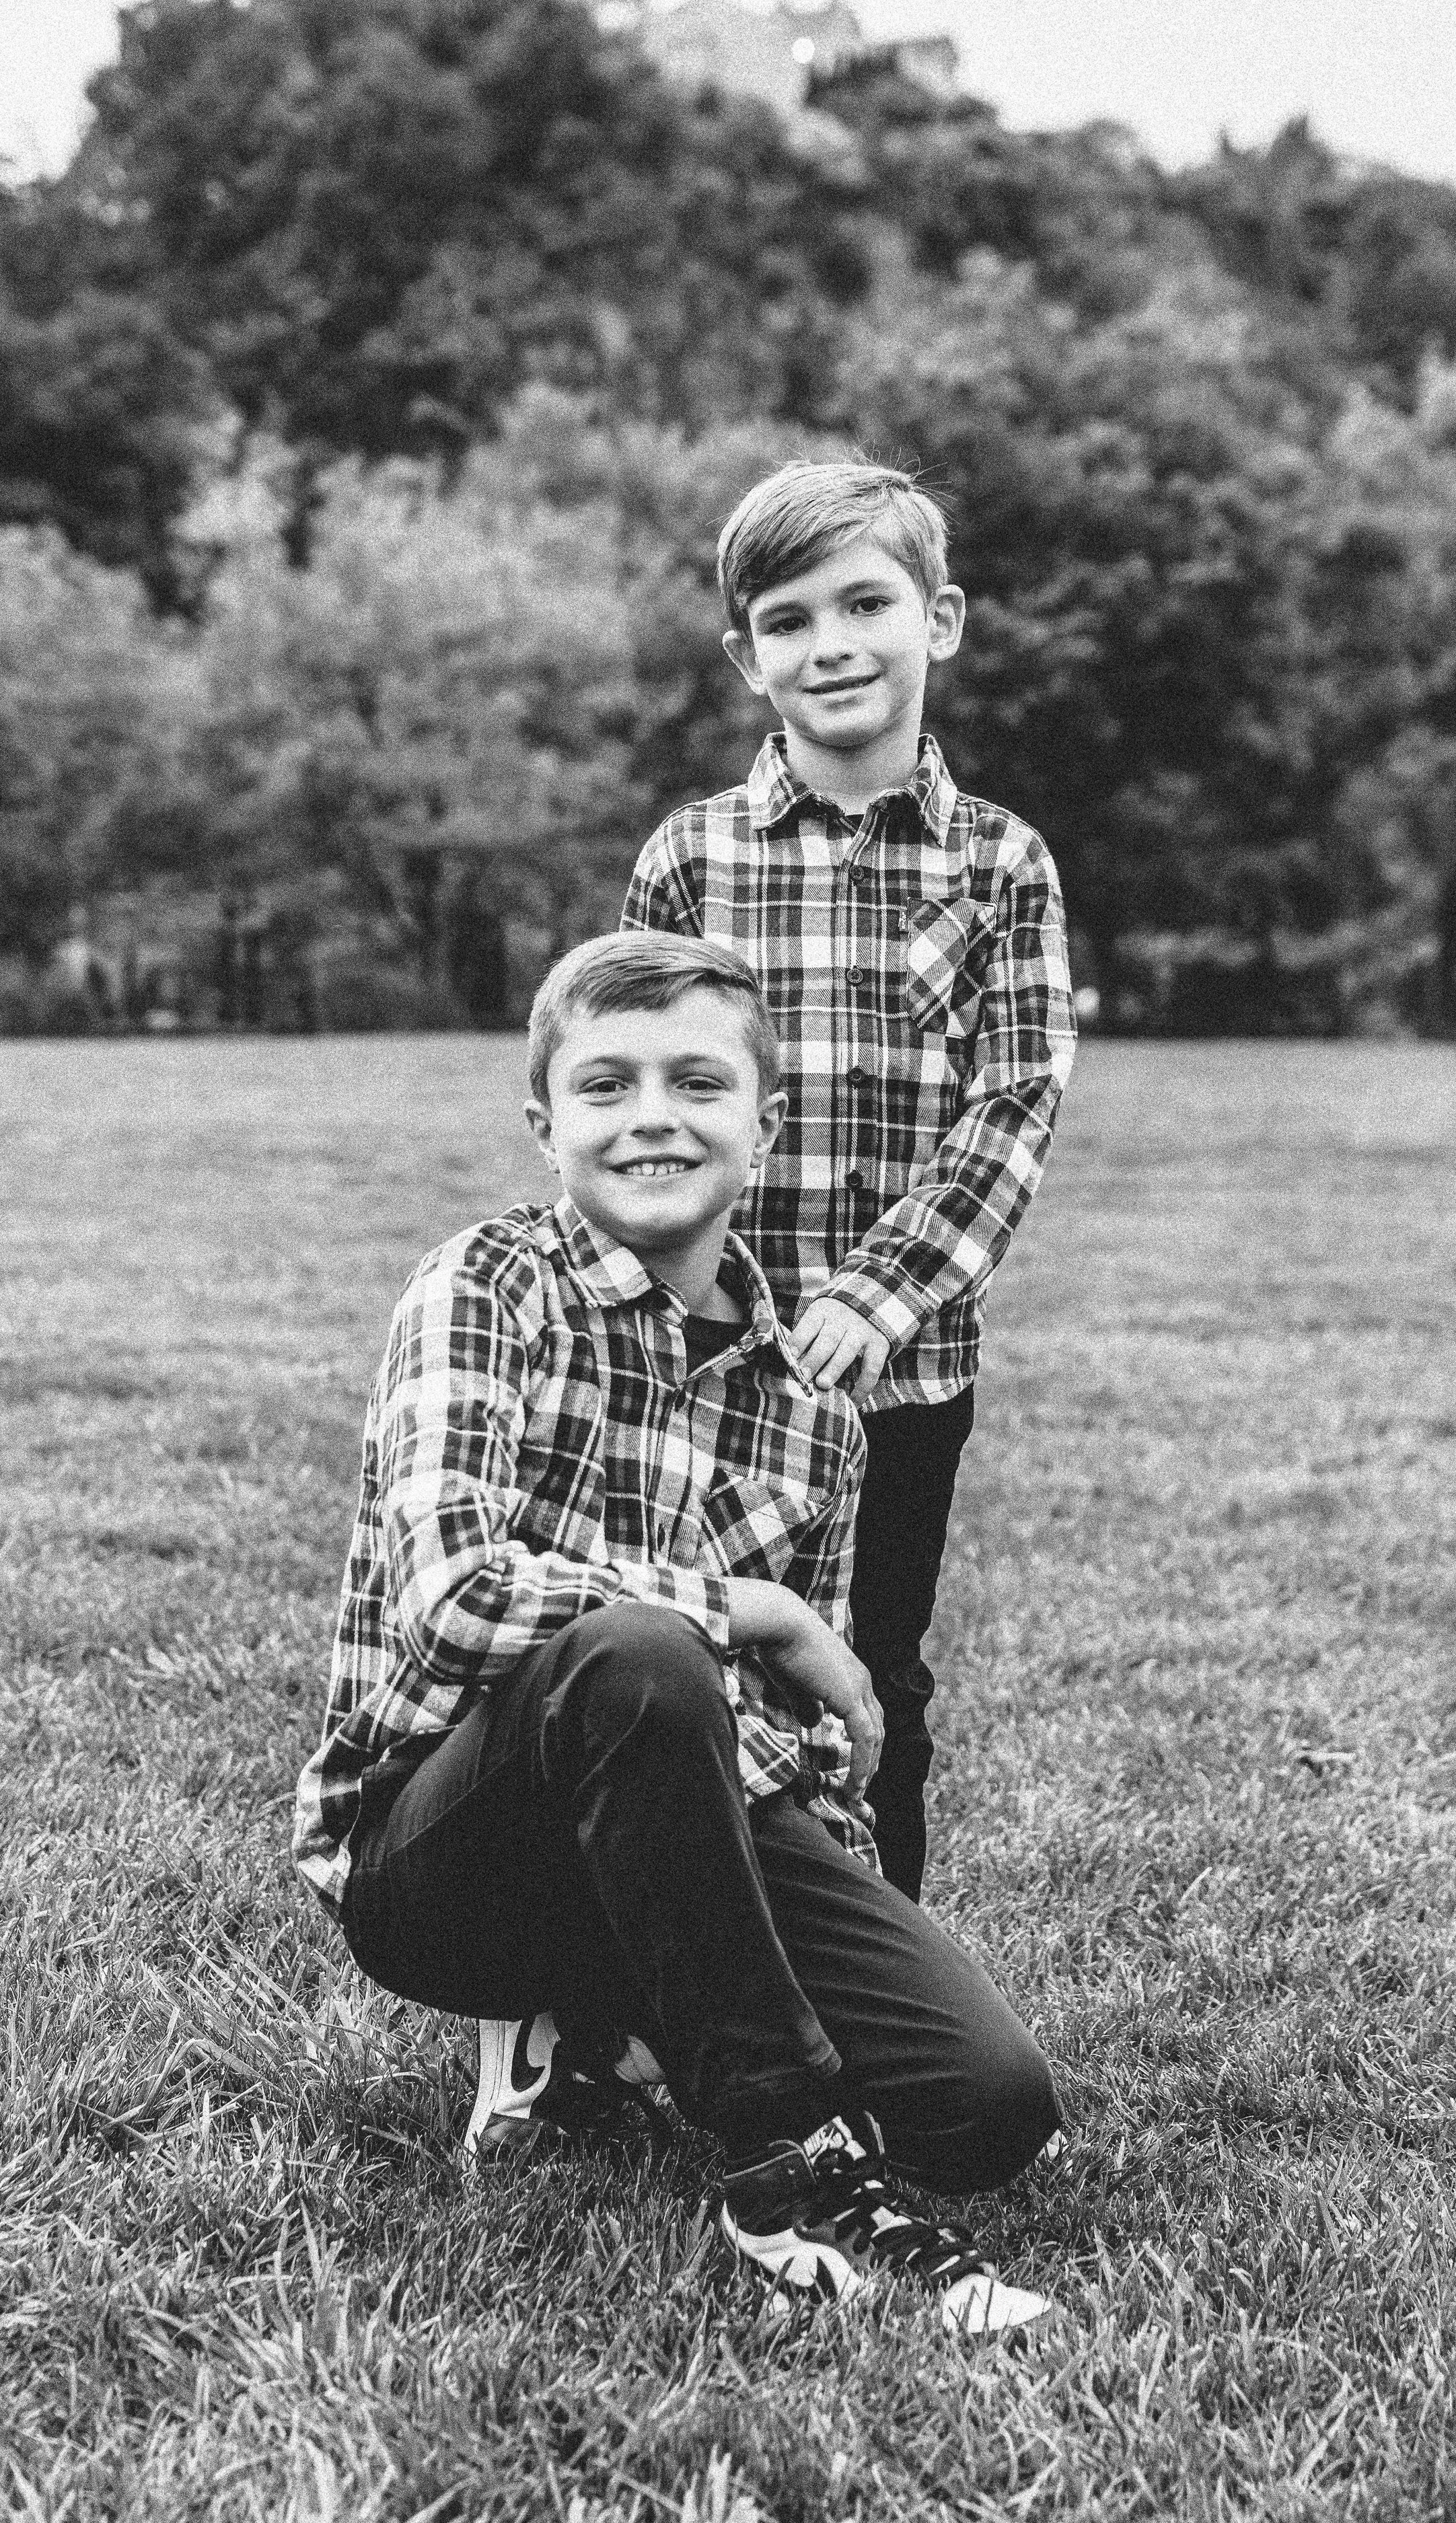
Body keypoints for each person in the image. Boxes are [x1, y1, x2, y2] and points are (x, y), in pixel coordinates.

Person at [293, 934, 1060, 2332]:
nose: (653, 1113)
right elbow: (456, 1596)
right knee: (640, 1653)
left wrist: (852, 1918)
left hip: (693, 1805)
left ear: (762, 1126)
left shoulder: (815, 1410)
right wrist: (744, 1609)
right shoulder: (484, 1288)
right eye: (607, 1084)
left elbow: (812, 1749)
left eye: (697, 1081)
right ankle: (788, 2171)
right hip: (448, 1851)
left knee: (986, 2106)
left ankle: (621, 2017)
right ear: (548, 1127)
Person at [622, 460, 1077, 1901]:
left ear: (935, 620)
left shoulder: (1001, 865)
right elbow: (634, 1101)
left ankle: (881, 1999)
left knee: (873, 1670)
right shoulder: (690, 858)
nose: (830, 642)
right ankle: (655, 1989)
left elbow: (1013, 1104)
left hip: (899, 1378)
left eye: (864, 602)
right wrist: (653, 1302)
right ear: (743, 656)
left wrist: (881, 1293)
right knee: (681, 1661)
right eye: (787, 615)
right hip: (697, 1363)